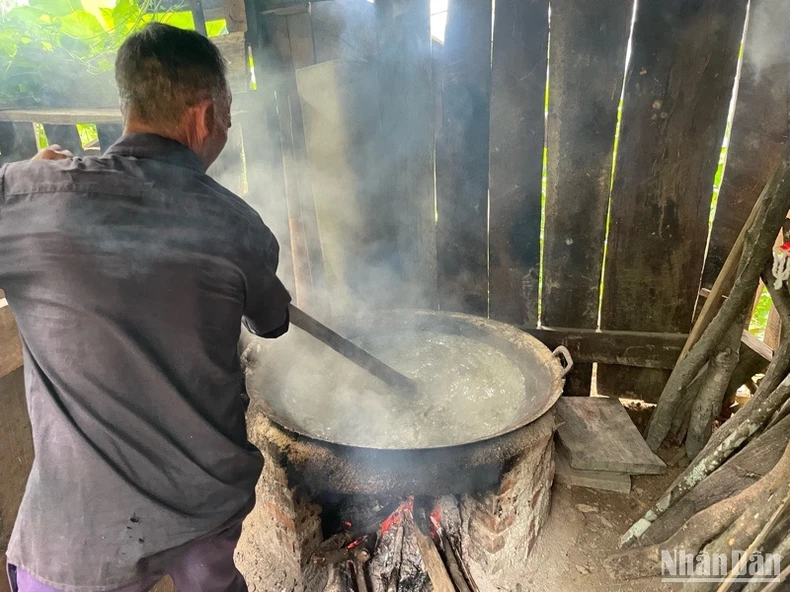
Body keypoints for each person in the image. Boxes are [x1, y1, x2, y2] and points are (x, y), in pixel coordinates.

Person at [0, 23, 291, 592]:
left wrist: (30, 181)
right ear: (205, 116)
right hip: (205, 502)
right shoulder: (237, 226)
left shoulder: (30, 202)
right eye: (227, 121)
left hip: (81, 527)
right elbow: (273, 323)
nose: (224, 133)